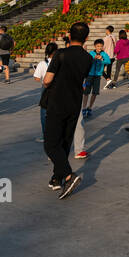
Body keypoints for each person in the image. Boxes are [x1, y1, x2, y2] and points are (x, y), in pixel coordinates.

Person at [41, 22, 90, 199]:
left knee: (51, 144)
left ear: (69, 36)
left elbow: (47, 80)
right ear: (86, 38)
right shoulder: (88, 58)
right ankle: (57, 177)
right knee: (64, 142)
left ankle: (69, 176)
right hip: (75, 103)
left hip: (57, 102)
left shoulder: (61, 54)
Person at [73, 38, 110, 159]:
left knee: (95, 93)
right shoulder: (91, 54)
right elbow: (86, 62)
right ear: (95, 46)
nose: (99, 48)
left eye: (101, 46)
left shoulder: (104, 54)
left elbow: (109, 62)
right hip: (89, 75)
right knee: (86, 93)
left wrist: (102, 59)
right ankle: (84, 107)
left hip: (97, 76)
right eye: (97, 46)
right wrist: (93, 59)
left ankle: (90, 107)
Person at [32, 41, 58, 144]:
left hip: (46, 88)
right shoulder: (60, 62)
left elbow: (37, 79)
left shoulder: (42, 63)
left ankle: (45, 135)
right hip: (58, 88)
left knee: (44, 113)